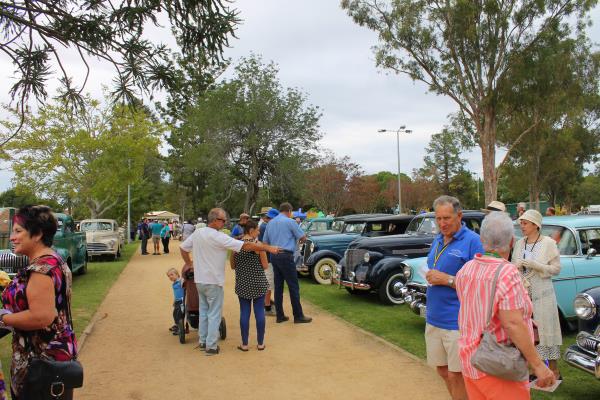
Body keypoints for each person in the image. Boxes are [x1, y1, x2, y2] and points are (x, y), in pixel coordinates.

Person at [455, 211, 555, 399]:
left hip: (470, 359)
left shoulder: (466, 269)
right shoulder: (507, 273)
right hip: (498, 365)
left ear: (482, 239)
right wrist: (538, 365)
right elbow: (513, 324)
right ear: (511, 242)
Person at [1, 205, 78, 399]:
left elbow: (41, 317)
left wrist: (3, 318)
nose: (12, 237)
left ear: (37, 234)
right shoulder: (52, 260)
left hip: (40, 364)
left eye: (18, 231)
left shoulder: (42, 269)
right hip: (49, 362)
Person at [179, 208, 281, 355]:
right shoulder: (218, 236)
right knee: (214, 313)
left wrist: (189, 264)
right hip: (214, 280)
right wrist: (268, 248)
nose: (225, 222)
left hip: (199, 280)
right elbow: (246, 246)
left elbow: (183, 248)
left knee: (204, 310)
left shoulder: (198, 233)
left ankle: (203, 340)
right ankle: (211, 346)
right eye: (223, 220)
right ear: (215, 220)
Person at [424, 195, 484, 400]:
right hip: (434, 317)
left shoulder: (473, 242)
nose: (442, 223)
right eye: (438, 218)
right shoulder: (438, 239)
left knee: (456, 375)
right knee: (442, 370)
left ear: (459, 216)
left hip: (457, 321)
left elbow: (481, 284)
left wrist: (448, 280)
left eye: (447, 218)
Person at [512, 209, 563, 379]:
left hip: (543, 295)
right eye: (521, 223)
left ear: (535, 225)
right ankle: (534, 370)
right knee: (528, 333)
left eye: (525, 223)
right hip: (524, 296)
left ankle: (554, 371)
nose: (522, 226)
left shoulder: (548, 243)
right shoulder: (520, 243)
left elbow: (556, 269)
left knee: (546, 331)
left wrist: (537, 265)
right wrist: (517, 267)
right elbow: (513, 266)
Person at [263, 202, 312, 324]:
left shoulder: (270, 223)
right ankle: (298, 315)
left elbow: (265, 242)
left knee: (278, 287)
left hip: (274, 255)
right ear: (289, 211)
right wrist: (299, 239)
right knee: (293, 286)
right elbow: (303, 237)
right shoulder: (290, 222)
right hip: (286, 255)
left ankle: (280, 315)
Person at [230, 220, 270, 351]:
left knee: (244, 313)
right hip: (258, 283)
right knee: (259, 312)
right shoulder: (258, 246)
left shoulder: (236, 245)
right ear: (251, 230)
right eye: (257, 230)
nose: (259, 232)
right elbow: (265, 266)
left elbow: (233, 266)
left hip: (243, 284)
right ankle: (260, 343)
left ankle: (245, 344)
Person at [259, 208, 279, 316]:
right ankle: (267, 307)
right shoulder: (265, 226)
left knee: (268, 282)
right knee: (269, 284)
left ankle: (267, 302)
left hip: (267, 258)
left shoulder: (264, 225)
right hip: (268, 259)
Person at [166, 268, 184, 335]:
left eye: (172, 274)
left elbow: (184, 283)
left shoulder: (180, 281)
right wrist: (174, 300)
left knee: (179, 314)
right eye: (169, 276)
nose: (170, 277)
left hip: (181, 301)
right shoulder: (174, 283)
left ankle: (180, 328)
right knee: (175, 314)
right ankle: (177, 325)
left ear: (177, 274)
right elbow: (176, 294)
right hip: (177, 301)